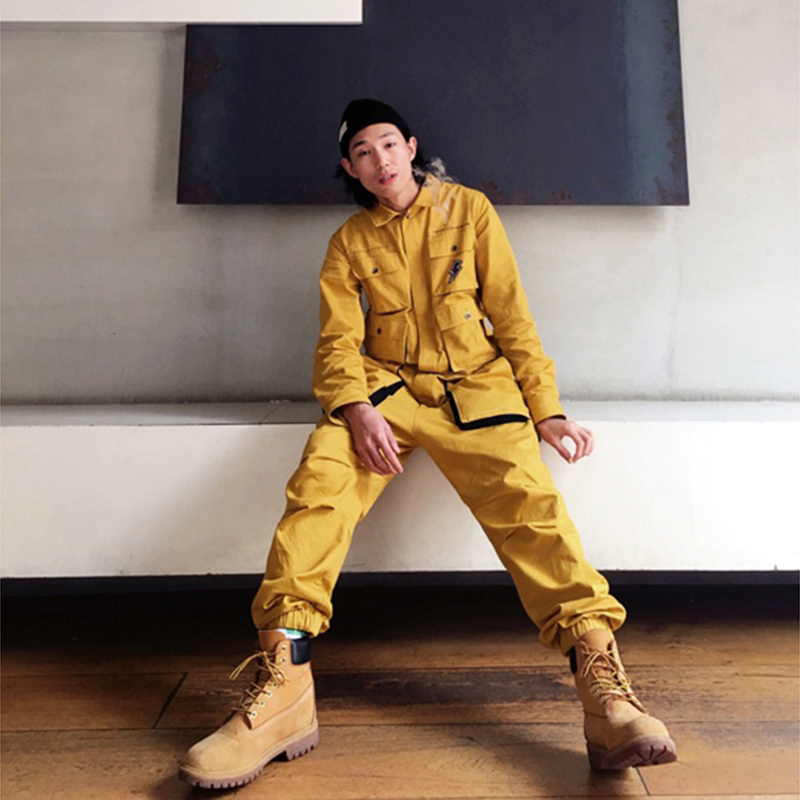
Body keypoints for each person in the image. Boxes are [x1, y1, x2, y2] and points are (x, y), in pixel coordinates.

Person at [178, 99, 677, 789]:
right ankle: (284, 693)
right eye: (362, 152)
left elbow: (513, 316)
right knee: (317, 495)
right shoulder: (349, 243)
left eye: (388, 144)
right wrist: (356, 409)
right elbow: (337, 343)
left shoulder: (470, 211)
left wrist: (547, 410)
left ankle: (608, 700)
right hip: (384, 398)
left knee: (532, 512)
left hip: (479, 393)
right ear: (350, 168)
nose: (379, 160)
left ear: (410, 147)